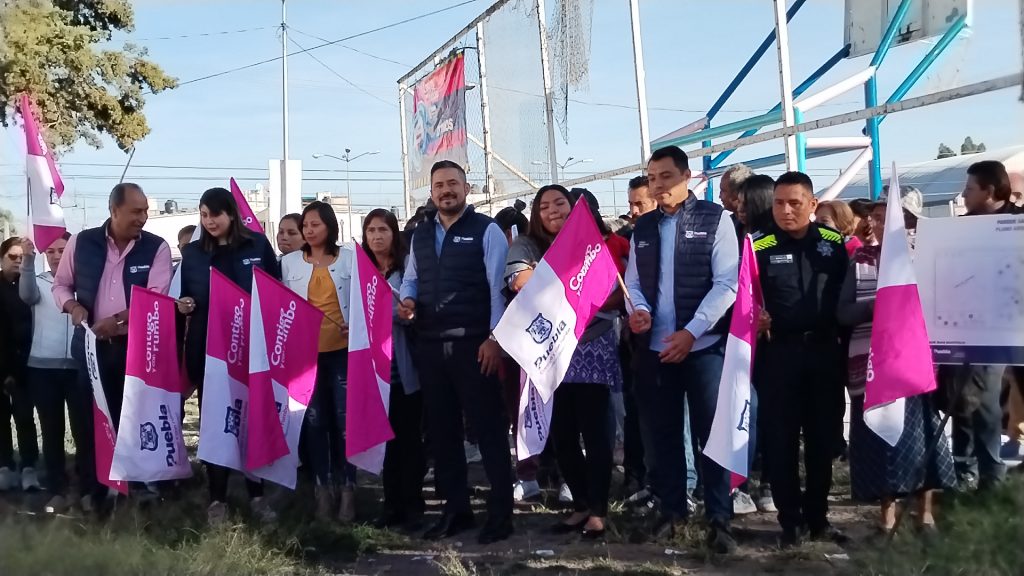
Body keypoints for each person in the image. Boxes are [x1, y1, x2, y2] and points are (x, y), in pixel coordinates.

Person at [624, 146, 739, 553]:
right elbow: (634, 283)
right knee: (664, 434)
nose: (658, 185)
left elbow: (727, 284)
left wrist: (691, 332)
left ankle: (719, 517)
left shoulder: (716, 220)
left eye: (666, 177)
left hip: (702, 347)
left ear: (688, 177)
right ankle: (671, 510)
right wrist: (637, 310)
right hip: (655, 348)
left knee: (711, 434)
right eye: (653, 178)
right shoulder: (644, 228)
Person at [398, 160, 514, 545]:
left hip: (475, 345)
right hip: (430, 345)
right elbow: (412, 277)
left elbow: (497, 288)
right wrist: (408, 300)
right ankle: (456, 510)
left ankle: (500, 515)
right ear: (430, 191)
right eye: (439, 185)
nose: (445, 190)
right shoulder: (420, 234)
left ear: (467, 188)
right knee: (443, 433)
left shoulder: (487, 231)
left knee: (489, 430)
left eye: (452, 184)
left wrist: (495, 340)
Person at [506, 185, 623, 539]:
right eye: (545, 206)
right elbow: (520, 283)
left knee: (597, 432)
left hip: (592, 346)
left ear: (574, 208)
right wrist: (574, 285)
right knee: (563, 435)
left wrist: (552, 280)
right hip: (549, 350)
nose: (553, 210)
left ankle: (599, 510)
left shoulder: (594, 243)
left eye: (561, 203)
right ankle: (581, 505)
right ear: (536, 214)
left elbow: (615, 293)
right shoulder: (525, 245)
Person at [838, 190, 955, 534]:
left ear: (908, 221)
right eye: (872, 216)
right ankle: (885, 518)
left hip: (916, 368)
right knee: (878, 440)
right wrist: (874, 307)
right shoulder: (860, 261)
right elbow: (842, 312)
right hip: (873, 369)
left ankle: (926, 515)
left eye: (882, 217)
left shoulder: (928, 258)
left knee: (923, 441)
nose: (873, 223)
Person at [52, 182, 173, 512]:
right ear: (114, 210)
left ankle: (131, 488)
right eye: (136, 211)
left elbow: (157, 299)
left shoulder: (157, 248)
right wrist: (73, 308)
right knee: (88, 420)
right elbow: (61, 285)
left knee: (130, 419)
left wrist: (118, 320)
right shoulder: (81, 242)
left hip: (133, 349)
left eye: (146, 210)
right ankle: (93, 489)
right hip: (89, 348)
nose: (143, 217)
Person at [752, 171, 849, 547]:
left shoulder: (832, 243)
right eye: (779, 203)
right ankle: (789, 522)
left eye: (795, 203)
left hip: (824, 353)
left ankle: (818, 518)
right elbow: (741, 299)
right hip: (778, 355)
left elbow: (846, 294)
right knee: (781, 441)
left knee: (822, 440)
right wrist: (752, 316)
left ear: (812, 204)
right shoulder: (757, 247)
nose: (786, 210)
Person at [176, 187, 280, 525]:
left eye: (215, 215)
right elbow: (184, 298)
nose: (209, 222)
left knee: (251, 421)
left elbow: (274, 291)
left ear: (231, 214)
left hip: (252, 352)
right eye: (204, 215)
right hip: (211, 355)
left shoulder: (257, 245)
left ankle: (257, 495)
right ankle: (216, 499)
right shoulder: (192, 254)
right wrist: (186, 304)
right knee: (215, 424)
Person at [939, 160, 1016, 491]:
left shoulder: (1017, 223)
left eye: (970, 189)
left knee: (985, 401)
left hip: (1004, 332)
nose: (964, 194)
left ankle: (991, 478)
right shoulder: (961, 227)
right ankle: (963, 471)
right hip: (963, 326)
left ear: (990, 190)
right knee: (961, 399)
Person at [281, 201, 357, 521]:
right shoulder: (288, 264)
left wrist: (356, 324)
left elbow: (365, 301)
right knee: (314, 425)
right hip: (305, 358)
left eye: (315, 224)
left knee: (343, 425)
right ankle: (322, 491)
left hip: (343, 353)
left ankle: (348, 491)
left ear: (329, 226)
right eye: (306, 226)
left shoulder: (350, 259)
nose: (309, 231)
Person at [364, 209, 426, 531]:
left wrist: (402, 313)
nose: (377, 236)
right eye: (371, 230)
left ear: (394, 233)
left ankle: (415, 504)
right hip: (375, 374)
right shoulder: (360, 273)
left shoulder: (407, 269)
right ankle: (391, 506)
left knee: (409, 440)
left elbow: (415, 308)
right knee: (385, 442)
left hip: (405, 369)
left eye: (383, 230)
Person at [18, 234, 81, 512]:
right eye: (52, 251)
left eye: (63, 250)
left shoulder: (85, 283)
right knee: (52, 431)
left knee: (84, 431)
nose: (57, 256)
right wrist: (29, 259)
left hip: (79, 368)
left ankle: (88, 487)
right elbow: (26, 295)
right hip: (43, 369)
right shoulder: (40, 282)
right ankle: (57, 488)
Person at [0, 237, 40, 492]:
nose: (17, 261)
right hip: (0, 364)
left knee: (25, 417)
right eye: (12, 257)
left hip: (26, 363)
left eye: (21, 257)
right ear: (2, 258)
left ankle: (29, 467)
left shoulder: (29, 285)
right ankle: (4, 465)